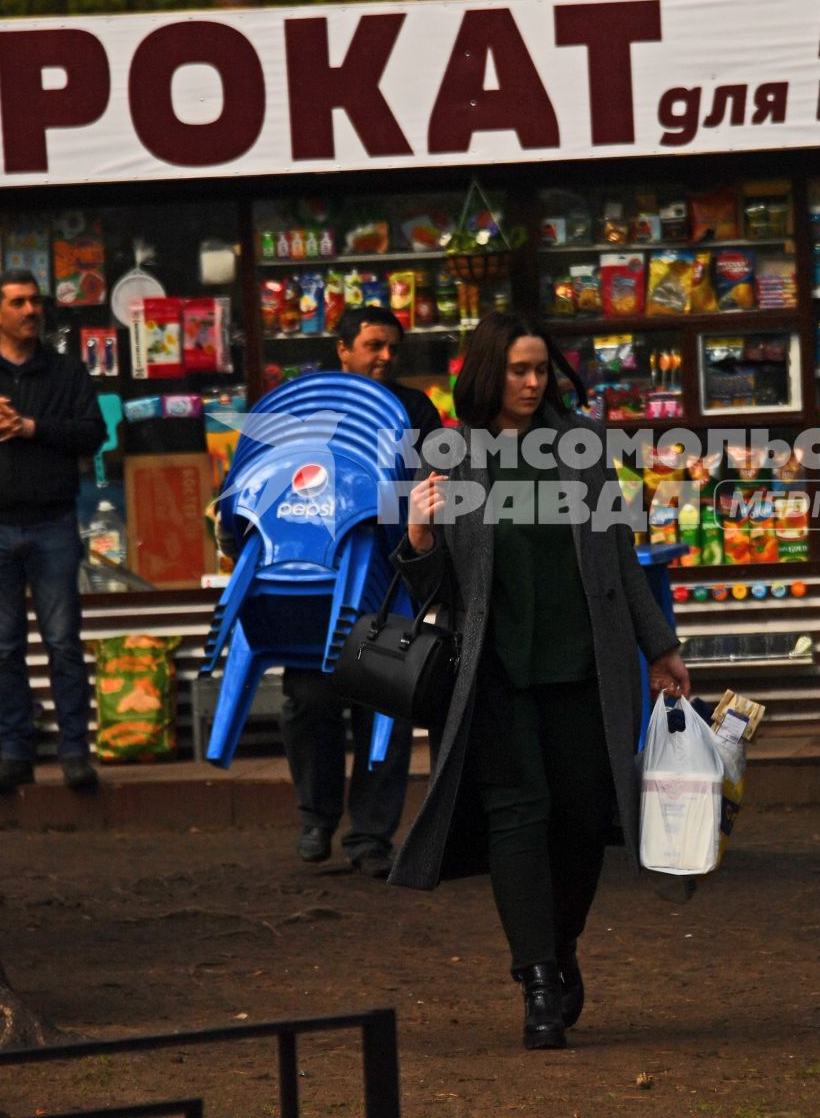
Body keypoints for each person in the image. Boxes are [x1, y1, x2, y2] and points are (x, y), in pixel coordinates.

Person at [393, 310, 690, 1051]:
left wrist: (660, 647)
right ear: (489, 373)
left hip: (584, 664)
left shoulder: (579, 449)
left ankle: (561, 948)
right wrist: (419, 536)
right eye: (519, 371)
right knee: (517, 817)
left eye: (541, 371)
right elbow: (434, 591)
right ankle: (537, 982)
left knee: (585, 817)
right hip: (492, 671)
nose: (533, 383)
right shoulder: (451, 454)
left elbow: (621, 554)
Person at [280, 306, 445, 878]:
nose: (385, 357)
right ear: (342, 349)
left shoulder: (415, 409)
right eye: (374, 345)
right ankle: (317, 817)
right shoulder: (301, 408)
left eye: (392, 348)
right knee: (308, 700)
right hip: (312, 583)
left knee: (387, 705)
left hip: (390, 582)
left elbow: (443, 482)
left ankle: (371, 838)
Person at [0, 269, 106, 792]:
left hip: (53, 522)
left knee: (63, 643)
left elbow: (93, 433)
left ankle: (75, 752)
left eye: (35, 302)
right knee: (4, 648)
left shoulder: (67, 372)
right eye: (18, 303)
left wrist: (33, 428)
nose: (31, 311)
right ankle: (15, 754)